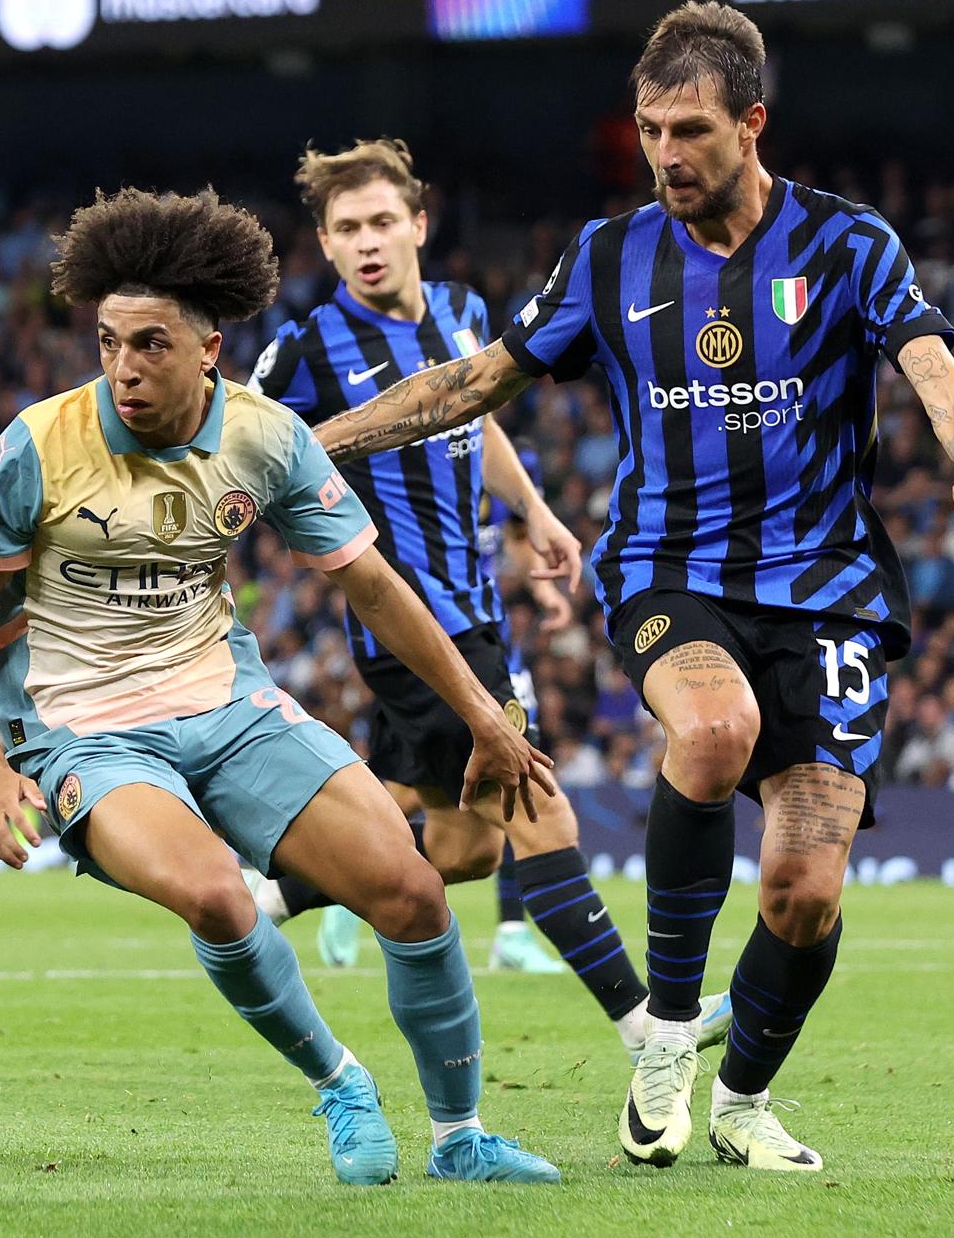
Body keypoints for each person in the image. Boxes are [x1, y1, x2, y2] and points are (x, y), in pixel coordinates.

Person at [306, 3, 954, 1172]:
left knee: (803, 891)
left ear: (752, 122)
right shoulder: (609, 256)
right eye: (649, 128)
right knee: (712, 726)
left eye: (689, 129)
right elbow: (471, 383)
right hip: (667, 569)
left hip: (829, 591)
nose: (664, 153)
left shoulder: (848, 246)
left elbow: (939, 376)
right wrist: (316, 445)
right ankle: (664, 1034)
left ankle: (742, 1097)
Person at [0, 186, 562, 1186]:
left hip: (227, 706)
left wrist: (485, 714)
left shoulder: (263, 437)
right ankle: (341, 1081)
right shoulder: (38, 446)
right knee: (220, 897)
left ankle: (461, 1135)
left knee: (413, 888)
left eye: (150, 345)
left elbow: (373, 584)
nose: (125, 368)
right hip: (86, 736)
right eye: (108, 342)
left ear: (209, 348)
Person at [247, 140, 732, 1062]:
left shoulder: (467, 313)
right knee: (539, 806)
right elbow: (236, 439)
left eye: (383, 221)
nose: (368, 243)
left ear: (419, 225)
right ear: (325, 243)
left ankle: (269, 894)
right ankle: (648, 1027)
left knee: (462, 849)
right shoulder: (307, 348)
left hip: (474, 608)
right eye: (347, 230)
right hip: (413, 626)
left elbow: (476, 417)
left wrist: (533, 509)